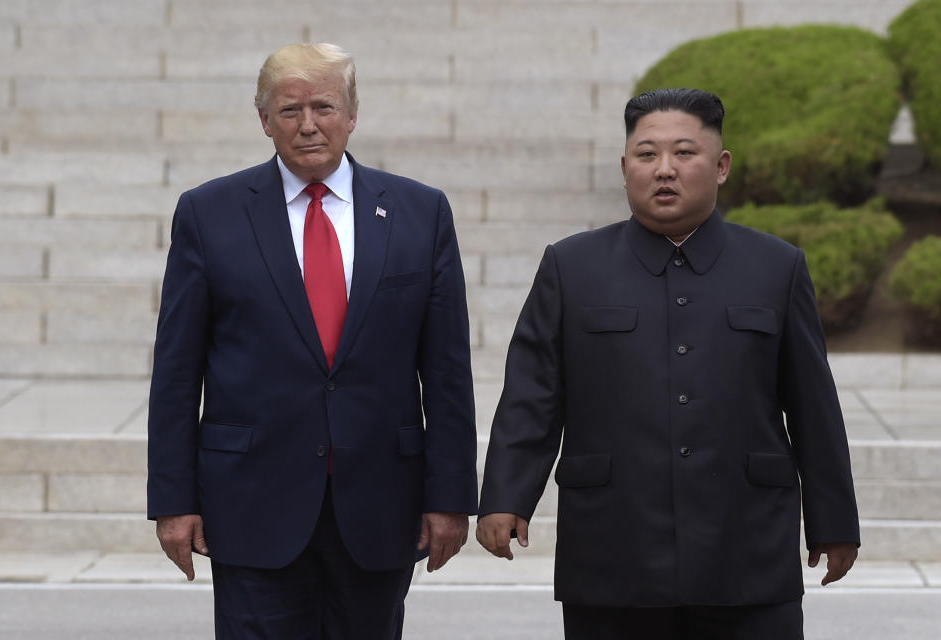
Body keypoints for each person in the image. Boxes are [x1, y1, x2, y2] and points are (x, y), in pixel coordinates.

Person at [476, 88, 859, 639]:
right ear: (624, 165)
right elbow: (532, 394)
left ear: (721, 166)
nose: (664, 170)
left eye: (684, 153)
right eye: (646, 154)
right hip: (614, 549)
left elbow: (812, 406)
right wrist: (506, 497)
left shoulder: (776, 266)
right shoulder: (572, 266)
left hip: (746, 548)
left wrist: (834, 521)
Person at [147, 42, 477, 639]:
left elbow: (447, 367)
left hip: (379, 501)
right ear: (263, 118)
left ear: (352, 114)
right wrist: (173, 500)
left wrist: (451, 495)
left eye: (323, 107)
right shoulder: (208, 212)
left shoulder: (419, 212)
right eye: (289, 110)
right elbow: (176, 369)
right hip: (251, 501)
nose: (307, 126)